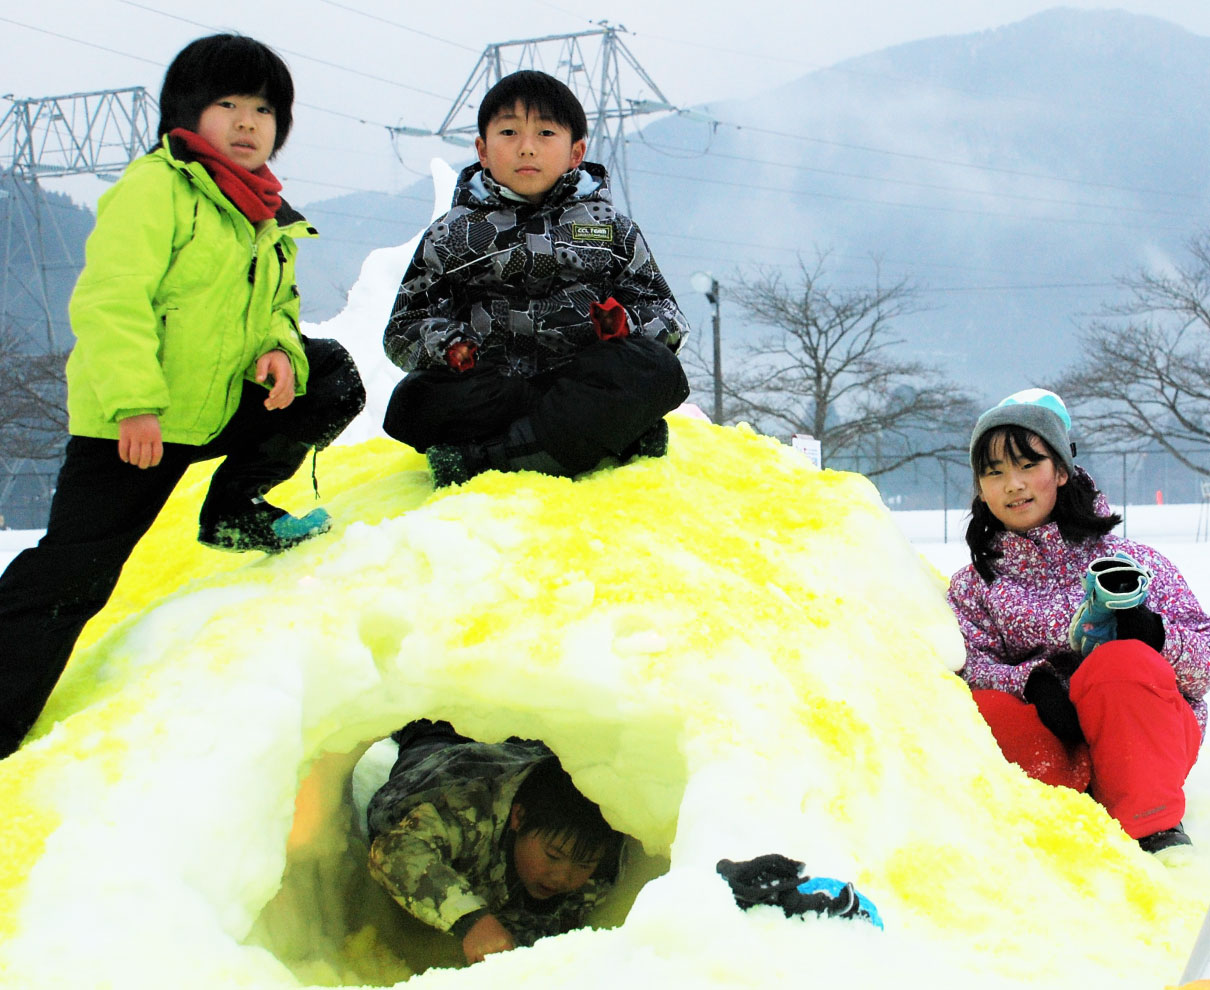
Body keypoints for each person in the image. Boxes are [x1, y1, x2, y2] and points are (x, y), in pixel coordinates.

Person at [0, 34, 365, 759]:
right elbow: (112, 300)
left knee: (330, 376)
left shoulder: (265, 212)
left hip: (219, 403)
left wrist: (279, 350)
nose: (247, 122)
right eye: (227, 104)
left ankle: (234, 508)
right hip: (137, 426)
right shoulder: (157, 188)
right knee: (72, 578)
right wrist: (134, 404)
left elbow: (278, 308)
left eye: (264, 109)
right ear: (186, 112)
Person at [381, 70, 691, 487]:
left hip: (581, 382)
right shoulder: (451, 234)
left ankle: (484, 460)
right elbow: (402, 328)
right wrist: (449, 344)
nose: (526, 147)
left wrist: (625, 325)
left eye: (545, 133)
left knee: (657, 370)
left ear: (576, 152)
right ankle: (602, 440)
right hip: (494, 390)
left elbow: (668, 316)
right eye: (509, 132)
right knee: (412, 403)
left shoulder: (611, 230)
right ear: (483, 150)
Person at [947, 388, 1210, 856]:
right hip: (1052, 749)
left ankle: (1153, 828)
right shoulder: (974, 586)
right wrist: (1032, 683)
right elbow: (968, 667)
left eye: (1028, 465)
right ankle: (1059, 822)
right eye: (994, 472)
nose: (1013, 484)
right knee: (977, 707)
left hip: (1142, 744)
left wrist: (1154, 635)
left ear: (1062, 471)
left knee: (1120, 662)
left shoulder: (1131, 561)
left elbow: (1204, 667)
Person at [366, 720, 625, 964]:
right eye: (553, 856)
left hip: (521, 754)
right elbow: (395, 853)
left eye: (583, 864)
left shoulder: (603, 865)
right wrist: (470, 920)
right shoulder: (466, 813)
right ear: (518, 818)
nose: (562, 877)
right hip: (445, 758)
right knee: (432, 728)